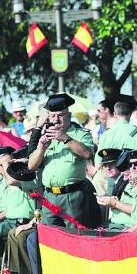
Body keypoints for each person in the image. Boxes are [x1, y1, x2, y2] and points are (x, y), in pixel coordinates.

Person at [28, 93, 101, 229]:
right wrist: (41, 148)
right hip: (49, 196)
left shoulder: (81, 134)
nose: (56, 119)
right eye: (53, 116)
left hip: (72, 196)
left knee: (74, 238)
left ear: (68, 116)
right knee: (50, 240)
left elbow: (87, 153)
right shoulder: (46, 136)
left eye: (61, 115)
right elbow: (31, 166)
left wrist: (65, 138)